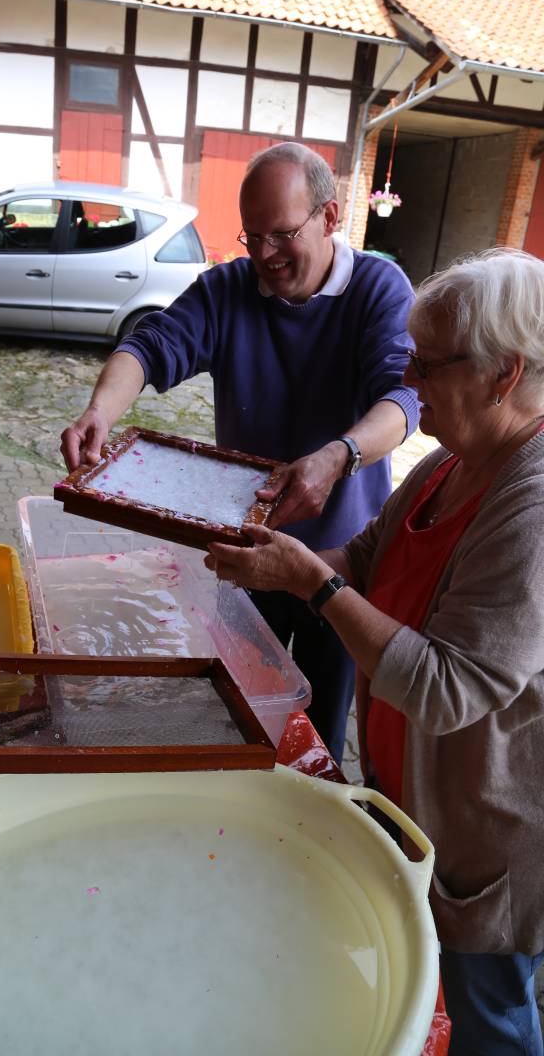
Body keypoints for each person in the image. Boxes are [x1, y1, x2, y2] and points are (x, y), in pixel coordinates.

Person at [204, 248, 544, 1054]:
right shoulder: (450, 463)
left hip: (488, 835)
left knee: (489, 1012)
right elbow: (366, 555)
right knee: (428, 989)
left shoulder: (531, 504)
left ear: (504, 374)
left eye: (427, 365)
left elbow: (449, 687)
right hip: (423, 807)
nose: (410, 382)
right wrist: (281, 563)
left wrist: (312, 587)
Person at [61, 142, 419, 765]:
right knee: (232, 710)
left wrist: (341, 453)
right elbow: (148, 347)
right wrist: (100, 411)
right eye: (252, 237)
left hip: (337, 559)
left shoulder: (379, 289)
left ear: (330, 218)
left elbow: (405, 400)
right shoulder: (228, 287)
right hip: (242, 552)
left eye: (281, 234)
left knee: (318, 736)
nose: (265, 256)